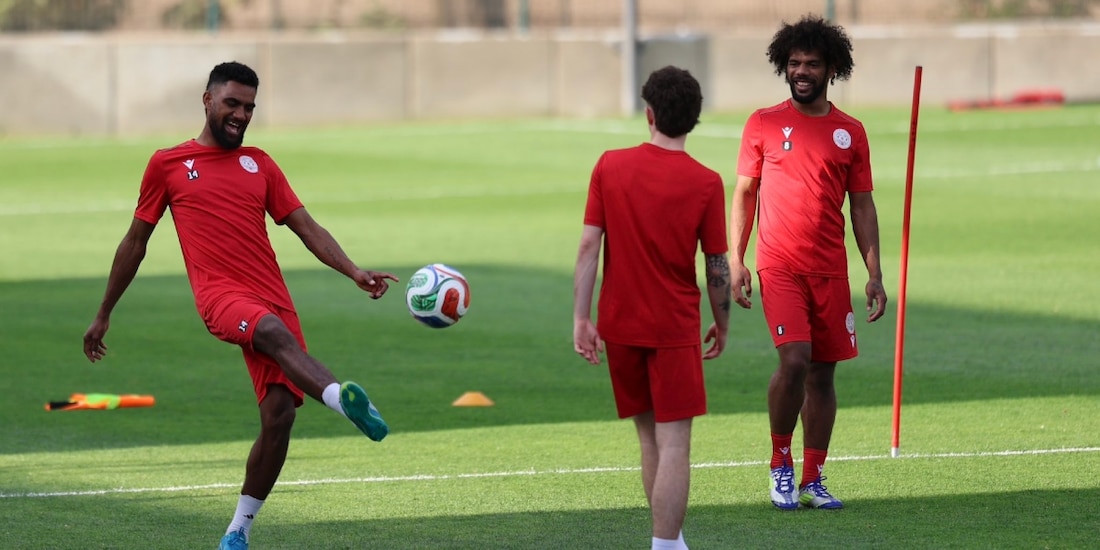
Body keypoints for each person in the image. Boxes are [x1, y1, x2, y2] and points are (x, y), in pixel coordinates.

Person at [81, 61, 395, 550]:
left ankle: (237, 532)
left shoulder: (261, 164)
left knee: (279, 417)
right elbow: (135, 241)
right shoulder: (167, 164)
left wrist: (354, 270)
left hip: (272, 294)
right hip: (221, 297)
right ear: (207, 100)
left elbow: (306, 226)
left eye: (249, 106)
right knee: (272, 333)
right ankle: (344, 400)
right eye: (232, 103)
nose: (241, 114)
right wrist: (104, 312)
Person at [729, 14, 888, 511]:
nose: (801, 71)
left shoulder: (851, 132)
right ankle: (781, 463)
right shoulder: (763, 122)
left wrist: (875, 272)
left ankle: (814, 478)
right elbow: (745, 193)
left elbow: (861, 204)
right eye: (794, 63)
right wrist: (735, 259)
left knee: (823, 375)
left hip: (831, 270)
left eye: (812, 64)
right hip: (779, 265)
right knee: (794, 361)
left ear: (831, 69)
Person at [573, 65, 730, 550]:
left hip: (619, 324)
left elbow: (588, 247)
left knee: (649, 440)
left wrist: (581, 317)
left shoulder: (609, 165)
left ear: (649, 113)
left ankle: (670, 539)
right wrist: (722, 323)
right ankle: (664, 545)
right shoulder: (706, 182)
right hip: (674, 328)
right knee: (675, 443)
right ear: (695, 118)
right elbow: (717, 264)